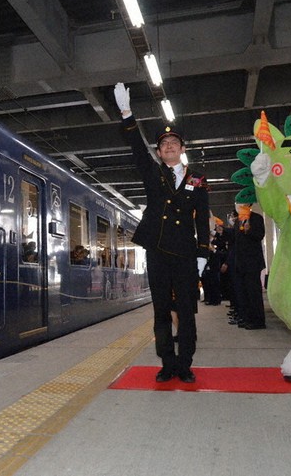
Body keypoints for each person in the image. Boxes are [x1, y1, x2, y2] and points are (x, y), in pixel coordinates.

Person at [114, 83, 210, 383]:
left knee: (186, 310)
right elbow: (136, 148)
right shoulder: (153, 173)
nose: (169, 146)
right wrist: (127, 113)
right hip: (156, 250)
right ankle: (167, 363)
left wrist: (203, 252)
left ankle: (185, 364)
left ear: (182, 149)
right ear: (159, 151)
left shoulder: (197, 180)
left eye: (174, 143)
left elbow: (202, 219)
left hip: (184, 253)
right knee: (160, 311)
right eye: (163, 144)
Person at [230, 201, 267, 329]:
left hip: (252, 262)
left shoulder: (256, 218)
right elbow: (235, 242)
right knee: (243, 293)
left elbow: (260, 235)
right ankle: (247, 318)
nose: (238, 206)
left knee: (253, 292)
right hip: (240, 262)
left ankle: (258, 321)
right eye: (237, 204)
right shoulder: (237, 220)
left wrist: (248, 231)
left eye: (241, 204)